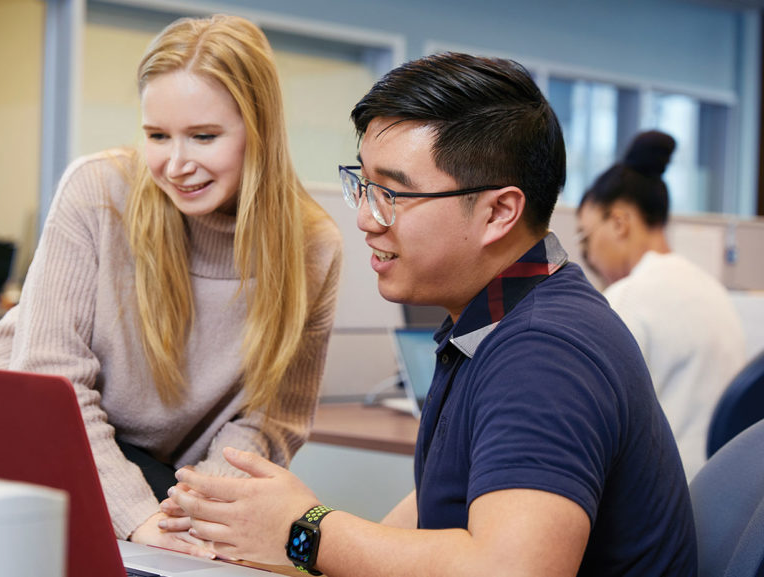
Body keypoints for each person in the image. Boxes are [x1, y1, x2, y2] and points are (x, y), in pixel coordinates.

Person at [165, 52, 696, 576]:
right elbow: (425, 518)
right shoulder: (493, 322)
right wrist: (284, 539)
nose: (366, 219)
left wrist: (304, 531)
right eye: (364, 186)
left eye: (392, 193)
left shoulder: (543, 352)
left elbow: (511, 570)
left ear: (499, 212)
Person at [0, 13, 342, 556]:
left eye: (204, 136)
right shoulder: (98, 190)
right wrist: (138, 517)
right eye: (157, 136)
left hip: (153, 473)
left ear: (259, 130)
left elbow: (266, 421)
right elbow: (52, 382)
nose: (177, 164)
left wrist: (196, 516)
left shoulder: (314, 247)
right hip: (14, 435)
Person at [576, 130, 746, 478]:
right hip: (725, 492)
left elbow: (593, 426)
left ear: (619, 223)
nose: (588, 256)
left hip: (668, 501)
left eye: (586, 237)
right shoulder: (712, 289)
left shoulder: (628, 298)